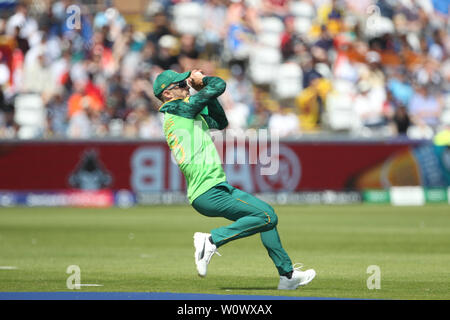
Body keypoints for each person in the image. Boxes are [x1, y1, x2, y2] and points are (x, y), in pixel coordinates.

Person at [152, 69, 316, 290]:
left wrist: (202, 90)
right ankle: (211, 240)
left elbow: (220, 122)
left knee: (266, 216)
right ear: (168, 94)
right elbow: (219, 85)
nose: (186, 86)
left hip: (216, 188)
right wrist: (204, 82)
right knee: (267, 216)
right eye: (180, 85)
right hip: (208, 192)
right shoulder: (178, 109)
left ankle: (287, 276)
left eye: (185, 83)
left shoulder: (186, 112)